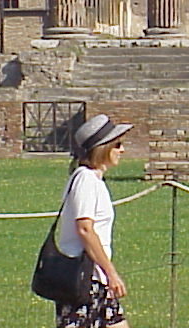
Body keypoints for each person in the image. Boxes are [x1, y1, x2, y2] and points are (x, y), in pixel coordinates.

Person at [55, 114, 133, 328]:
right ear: (103, 148)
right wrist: (111, 272)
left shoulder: (93, 180)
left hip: (97, 280)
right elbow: (85, 229)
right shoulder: (85, 180)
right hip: (83, 279)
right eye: (117, 145)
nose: (122, 150)